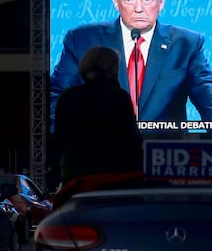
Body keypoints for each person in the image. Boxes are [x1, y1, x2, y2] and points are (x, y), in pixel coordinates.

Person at [49, 0, 212, 133]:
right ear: (116, 2)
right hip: (99, 153)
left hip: (165, 153)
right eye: (129, 0)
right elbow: (58, 96)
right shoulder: (82, 40)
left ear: (162, 1)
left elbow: (207, 94)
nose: (139, 9)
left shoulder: (186, 43)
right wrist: (63, 140)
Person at [53, 46, 144, 205]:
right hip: (114, 185)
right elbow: (132, 141)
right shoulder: (119, 97)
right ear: (111, 69)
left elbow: (60, 141)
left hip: (76, 182)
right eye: (116, 67)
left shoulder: (68, 98)